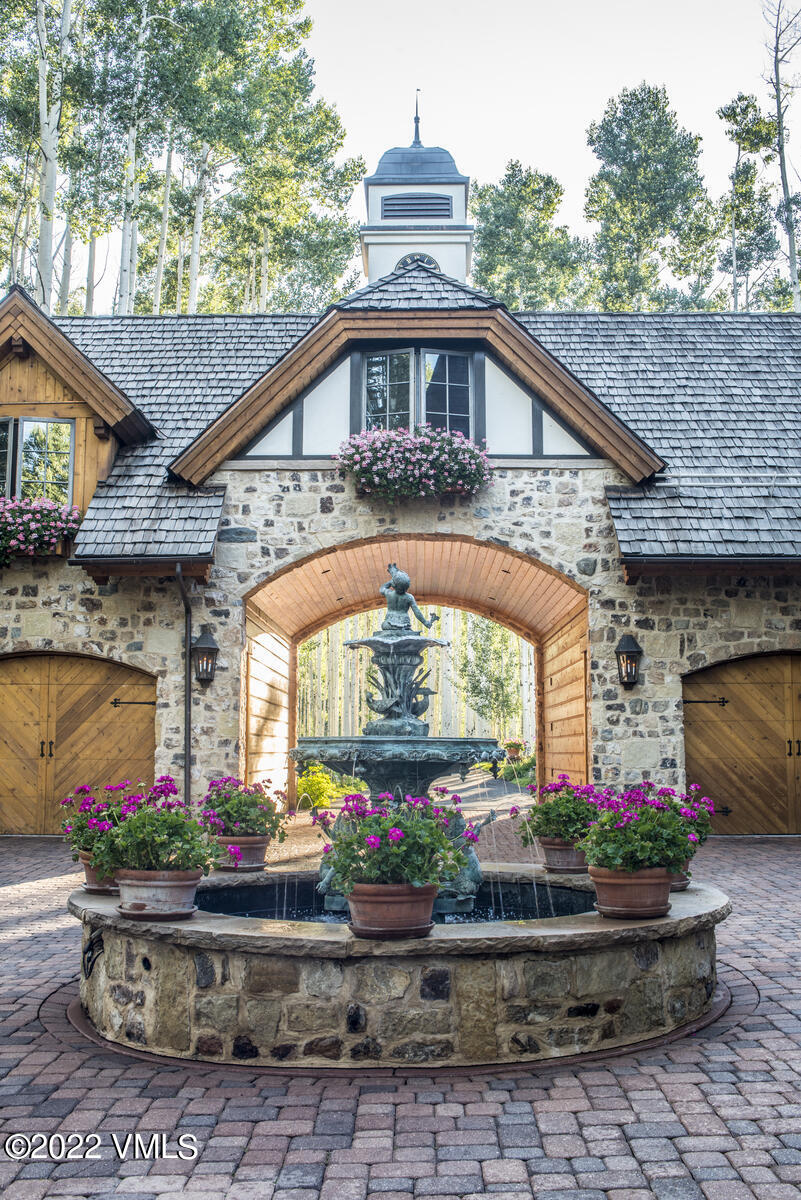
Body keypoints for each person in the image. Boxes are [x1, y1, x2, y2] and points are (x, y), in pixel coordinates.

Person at [380, 563, 439, 632]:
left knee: (383, 625)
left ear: (393, 584)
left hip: (389, 624)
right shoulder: (409, 597)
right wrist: (425, 623)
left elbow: (382, 588)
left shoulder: (389, 594)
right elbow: (417, 612)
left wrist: (392, 579)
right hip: (404, 625)